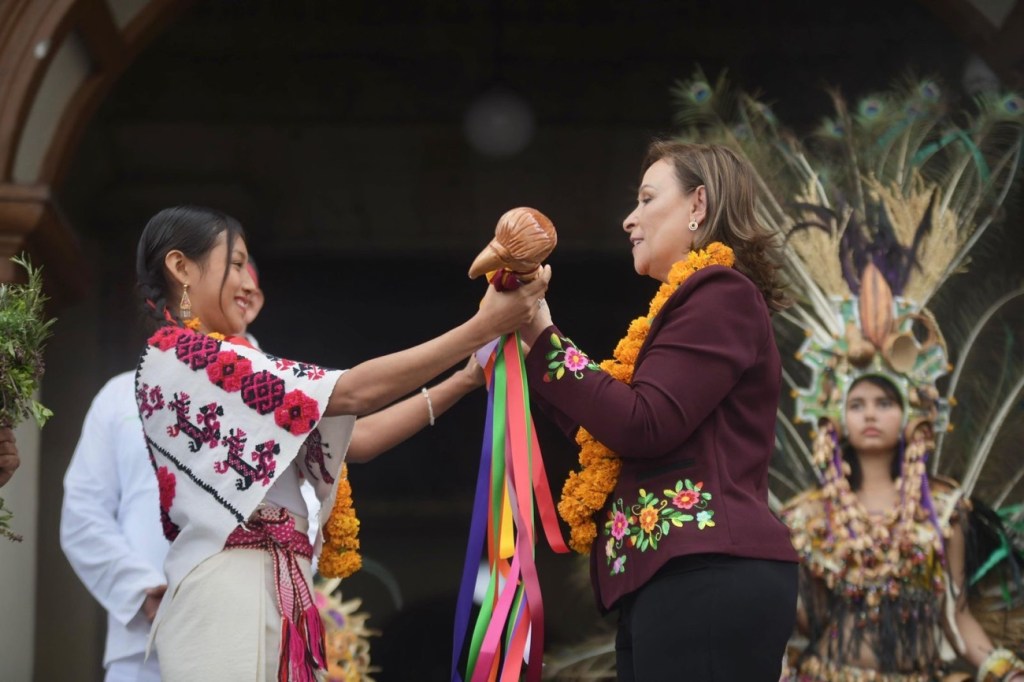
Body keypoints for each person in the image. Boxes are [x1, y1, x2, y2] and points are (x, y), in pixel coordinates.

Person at [132, 205, 547, 681]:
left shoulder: (216, 364)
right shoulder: (184, 357)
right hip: (227, 589)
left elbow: (360, 439)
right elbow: (352, 392)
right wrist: (482, 327)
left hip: (268, 583)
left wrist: (467, 379)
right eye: (236, 262)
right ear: (182, 267)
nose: (249, 282)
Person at [516, 141, 799, 681]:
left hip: (708, 570)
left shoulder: (721, 291)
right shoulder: (693, 301)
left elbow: (642, 423)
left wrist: (545, 340)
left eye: (647, 199)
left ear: (698, 205)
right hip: (677, 576)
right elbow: (614, 429)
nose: (629, 219)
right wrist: (531, 343)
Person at [59, 262, 267, 682]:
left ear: (252, 301)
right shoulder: (121, 394)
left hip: (252, 639)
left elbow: (312, 510)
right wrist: (143, 591)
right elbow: (82, 514)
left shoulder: (282, 395)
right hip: (144, 647)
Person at [780, 377, 1024, 682]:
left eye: (884, 403)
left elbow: (956, 618)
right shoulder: (810, 516)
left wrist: (1007, 672)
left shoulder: (943, 511)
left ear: (910, 416)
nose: (870, 415)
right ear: (839, 420)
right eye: (857, 405)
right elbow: (797, 617)